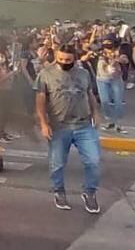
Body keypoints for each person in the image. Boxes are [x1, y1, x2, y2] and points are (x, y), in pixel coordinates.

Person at [34, 44, 101, 214]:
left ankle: (90, 192)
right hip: (59, 126)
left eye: (68, 60)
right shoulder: (45, 74)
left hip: (83, 125)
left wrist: (96, 113)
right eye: (61, 59)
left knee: (93, 161)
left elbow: (90, 94)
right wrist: (43, 123)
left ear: (75, 59)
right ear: (56, 57)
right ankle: (59, 191)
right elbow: (40, 100)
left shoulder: (83, 73)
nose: (64, 62)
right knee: (57, 163)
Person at [96, 38, 128, 134]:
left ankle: (119, 124)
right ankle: (110, 121)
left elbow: (125, 60)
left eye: (109, 45)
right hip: (102, 80)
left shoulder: (118, 53)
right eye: (106, 45)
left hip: (116, 80)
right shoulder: (99, 53)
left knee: (118, 101)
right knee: (104, 101)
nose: (108, 47)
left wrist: (116, 59)